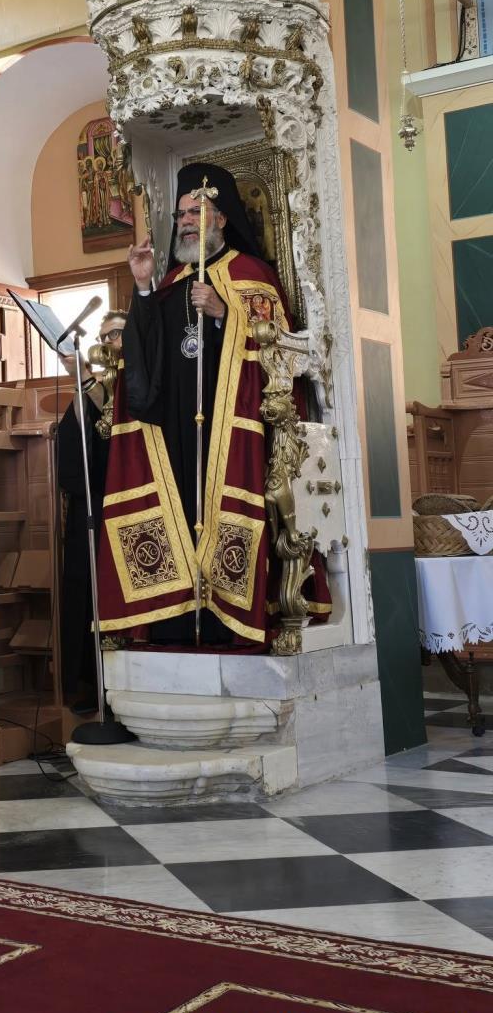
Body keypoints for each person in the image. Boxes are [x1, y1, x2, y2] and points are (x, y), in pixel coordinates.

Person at [96, 162, 331, 650]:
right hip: (176, 438)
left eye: (196, 211)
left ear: (221, 219)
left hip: (231, 435)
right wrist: (143, 286)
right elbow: (145, 356)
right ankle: (175, 618)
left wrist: (226, 314)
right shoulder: (170, 282)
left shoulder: (252, 276)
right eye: (181, 214)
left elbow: (280, 354)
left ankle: (230, 618)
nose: (185, 221)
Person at [58, 309, 126, 713]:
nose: (107, 343)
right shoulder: (99, 383)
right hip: (86, 502)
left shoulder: (133, 380)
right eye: (103, 337)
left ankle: (116, 682)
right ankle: (87, 682)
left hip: (120, 500)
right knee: (82, 589)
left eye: (114, 334)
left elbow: (115, 420)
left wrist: (84, 379)